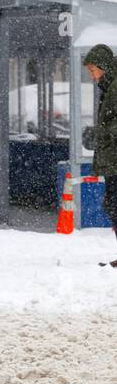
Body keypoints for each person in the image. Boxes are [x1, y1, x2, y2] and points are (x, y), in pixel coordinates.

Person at [82, 44, 117, 267]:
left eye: (93, 71)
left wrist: (101, 132)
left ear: (104, 68)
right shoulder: (109, 88)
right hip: (113, 160)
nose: (92, 76)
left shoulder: (115, 88)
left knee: (114, 204)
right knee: (113, 204)